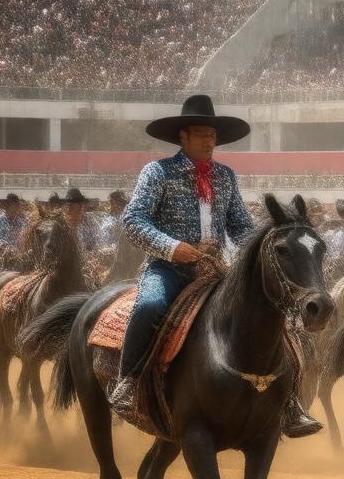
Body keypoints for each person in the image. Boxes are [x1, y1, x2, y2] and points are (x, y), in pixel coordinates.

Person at [113, 94, 319, 436]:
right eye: (202, 134)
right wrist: (172, 247)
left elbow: (239, 227)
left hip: (217, 271)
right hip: (168, 269)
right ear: (183, 137)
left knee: (269, 315)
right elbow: (133, 220)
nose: (210, 140)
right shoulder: (158, 172)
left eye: (213, 135)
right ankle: (129, 383)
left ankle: (290, 402)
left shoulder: (225, 176)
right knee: (150, 306)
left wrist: (259, 254)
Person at [51, 188, 101, 255]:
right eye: (78, 210)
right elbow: (53, 251)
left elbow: (91, 246)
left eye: (82, 209)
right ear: (68, 209)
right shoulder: (59, 226)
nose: (82, 213)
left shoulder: (85, 224)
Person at [0, 193, 28, 264]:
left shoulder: (21, 223)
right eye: (11, 206)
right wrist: (3, 246)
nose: (14, 209)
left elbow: (24, 241)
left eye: (16, 206)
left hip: (17, 258)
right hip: (0, 259)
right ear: (6, 207)